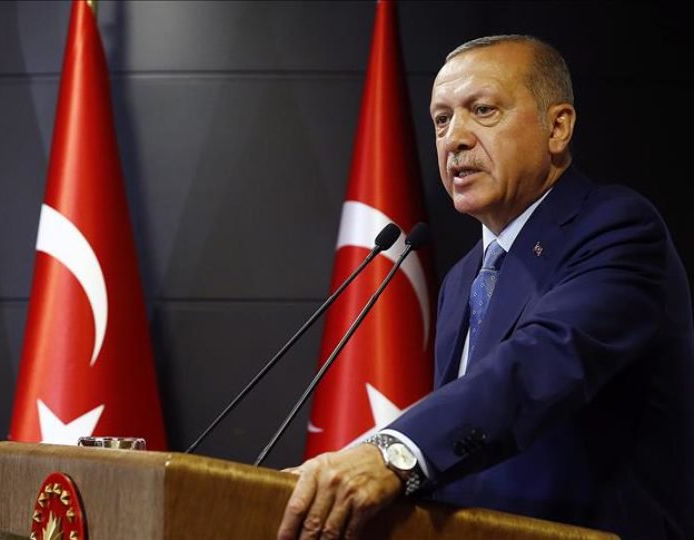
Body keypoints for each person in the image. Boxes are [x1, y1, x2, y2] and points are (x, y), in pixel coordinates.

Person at [277, 35, 694, 540]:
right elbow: (466, 452)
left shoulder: (617, 230)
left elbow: (538, 364)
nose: (455, 138)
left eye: (483, 110)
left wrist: (393, 453)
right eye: (441, 119)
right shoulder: (462, 279)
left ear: (557, 126)